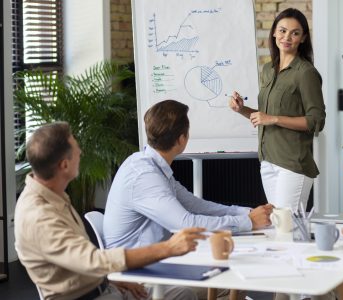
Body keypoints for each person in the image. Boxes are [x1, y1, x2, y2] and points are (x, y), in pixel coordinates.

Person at [14, 122, 206, 300]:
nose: (80, 152)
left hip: (105, 287)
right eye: (76, 148)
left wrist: (111, 280)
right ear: (64, 165)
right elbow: (92, 260)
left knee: (183, 293)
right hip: (91, 297)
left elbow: (74, 262)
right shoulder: (39, 216)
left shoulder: (53, 195)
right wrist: (168, 248)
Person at [103, 99, 272, 250]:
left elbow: (195, 205)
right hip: (136, 273)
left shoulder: (152, 166)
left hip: (151, 260)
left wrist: (246, 213)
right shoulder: (144, 176)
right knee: (222, 269)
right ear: (182, 139)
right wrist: (248, 222)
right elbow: (185, 224)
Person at [229, 8, 326, 211]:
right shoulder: (268, 70)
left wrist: (273, 119)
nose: (287, 37)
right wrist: (242, 109)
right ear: (273, 33)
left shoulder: (306, 73)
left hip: (293, 164)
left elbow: (316, 120)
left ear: (303, 38)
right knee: (276, 227)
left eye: (295, 33)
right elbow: (263, 116)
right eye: (282, 31)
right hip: (268, 161)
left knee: (287, 228)